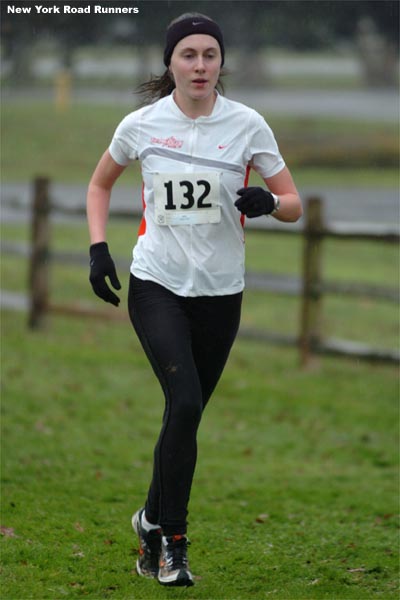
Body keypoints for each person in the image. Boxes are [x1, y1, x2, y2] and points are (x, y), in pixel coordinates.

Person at [87, 12, 302, 588]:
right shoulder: (141, 124)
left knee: (186, 414)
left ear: (221, 62)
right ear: (170, 63)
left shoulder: (248, 124)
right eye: (189, 55)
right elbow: (100, 182)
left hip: (220, 292)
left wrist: (268, 203)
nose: (201, 65)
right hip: (156, 283)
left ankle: (150, 519)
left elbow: (293, 201)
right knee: (183, 404)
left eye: (210, 54)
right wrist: (98, 249)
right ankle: (172, 547)